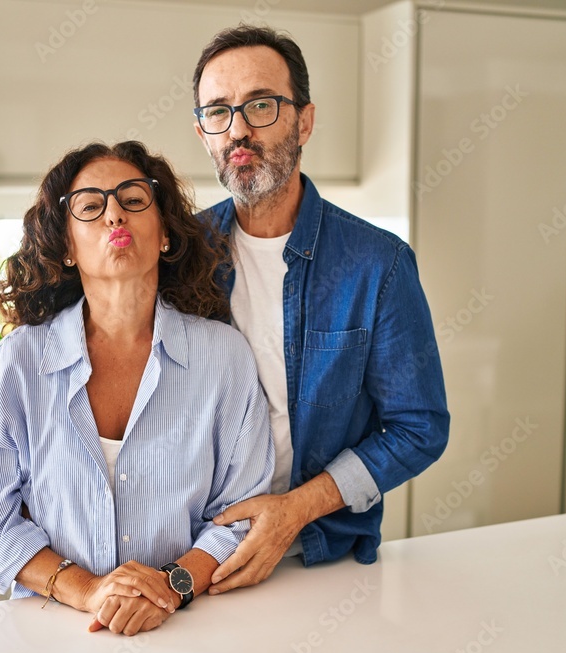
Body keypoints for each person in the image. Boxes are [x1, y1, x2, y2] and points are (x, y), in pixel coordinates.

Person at [0, 141, 274, 636]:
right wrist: (88, 591)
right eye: (90, 206)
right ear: (65, 244)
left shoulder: (224, 358)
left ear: (164, 232)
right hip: (54, 632)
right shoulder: (18, 364)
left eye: (133, 200)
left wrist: (171, 586)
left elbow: (237, 516)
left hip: (193, 628)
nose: (114, 217)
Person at [190, 25, 450, 595]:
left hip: (317, 557)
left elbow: (419, 426)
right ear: (202, 132)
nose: (238, 130)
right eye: (217, 112)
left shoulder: (377, 265)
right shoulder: (181, 256)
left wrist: (295, 511)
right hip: (193, 561)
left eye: (260, 105)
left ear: (304, 121)